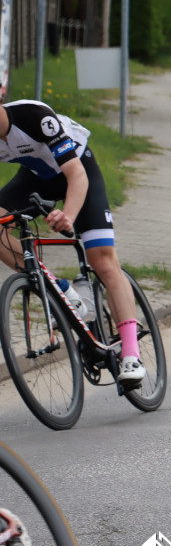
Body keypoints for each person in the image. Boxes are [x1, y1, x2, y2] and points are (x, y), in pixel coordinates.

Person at [0, 99, 146, 386]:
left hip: (79, 171)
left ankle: (131, 353)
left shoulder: (33, 116)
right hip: (36, 178)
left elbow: (76, 175)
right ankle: (62, 289)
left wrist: (68, 216)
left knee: (102, 260)